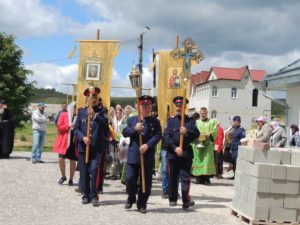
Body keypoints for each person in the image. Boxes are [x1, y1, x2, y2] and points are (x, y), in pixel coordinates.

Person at [123, 95, 162, 214]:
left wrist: (148, 145)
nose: (147, 107)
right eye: (144, 105)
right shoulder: (131, 120)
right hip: (134, 155)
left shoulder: (154, 121)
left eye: (149, 105)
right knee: (130, 179)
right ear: (138, 106)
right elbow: (124, 133)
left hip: (147, 155)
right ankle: (131, 197)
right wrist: (135, 129)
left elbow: (158, 135)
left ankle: (142, 203)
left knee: (146, 183)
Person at [73, 87, 109, 206]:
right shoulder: (81, 111)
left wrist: (95, 115)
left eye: (94, 96)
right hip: (84, 147)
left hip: (97, 148)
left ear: (97, 98)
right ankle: (85, 195)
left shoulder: (102, 111)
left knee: (94, 170)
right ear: (86, 98)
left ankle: (94, 195)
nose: (92, 99)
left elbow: (105, 126)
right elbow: (76, 129)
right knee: (84, 172)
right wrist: (83, 137)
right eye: (90, 96)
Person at [163, 96, 200, 209]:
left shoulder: (190, 121)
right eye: (177, 105)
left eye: (181, 105)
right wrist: (175, 148)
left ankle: (185, 200)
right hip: (173, 153)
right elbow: (166, 137)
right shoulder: (171, 122)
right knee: (173, 177)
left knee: (185, 177)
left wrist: (187, 132)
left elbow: (196, 134)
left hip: (186, 153)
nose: (179, 107)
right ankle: (173, 198)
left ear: (185, 107)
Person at [53, 102, 78, 185]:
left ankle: (71, 179)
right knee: (61, 159)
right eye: (74, 107)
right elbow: (59, 126)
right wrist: (68, 126)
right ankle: (63, 176)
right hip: (64, 141)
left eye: (77, 107)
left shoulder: (78, 117)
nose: (75, 109)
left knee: (72, 160)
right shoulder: (63, 115)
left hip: (74, 141)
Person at [191, 107, 218, 185]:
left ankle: (206, 178)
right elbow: (193, 131)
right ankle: (198, 178)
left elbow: (215, 131)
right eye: (202, 113)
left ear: (207, 113)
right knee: (198, 161)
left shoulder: (212, 122)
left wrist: (210, 134)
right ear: (200, 113)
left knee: (207, 161)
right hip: (197, 144)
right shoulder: (196, 122)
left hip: (208, 144)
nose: (203, 115)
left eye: (205, 113)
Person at [230, 116, 246, 180]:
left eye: (235, 121)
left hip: (237, 148)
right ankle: (234, 175)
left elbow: (243, 139)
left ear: (239, 121)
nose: (234, 122)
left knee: (236, 162)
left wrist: (239, 144)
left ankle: (237, 176)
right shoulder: (234, 129)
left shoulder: (241, 129)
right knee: (233, 162)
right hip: (233, 147)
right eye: (233, 121)